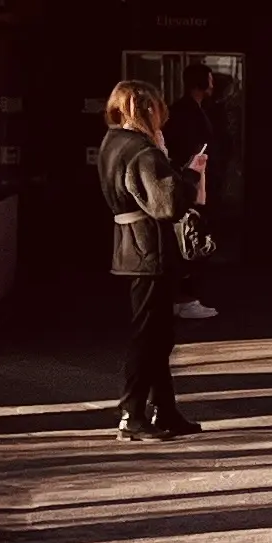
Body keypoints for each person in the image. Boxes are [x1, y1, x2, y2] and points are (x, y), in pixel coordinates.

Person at [96, 81, 198, 439]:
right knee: (149, 335)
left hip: (128, 245)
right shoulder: (142, 151)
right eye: (158, 111)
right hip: (149, 249)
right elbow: (168, 204)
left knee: (157, 333)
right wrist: (191, 173)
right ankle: (133, 413)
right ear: (148, 110)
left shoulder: (112, 143)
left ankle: (165, 410)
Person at [163, 64, 223, 324]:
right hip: (193, 185)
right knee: (191, 239)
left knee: (189, 239)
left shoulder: (185, 110)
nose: (213, 85)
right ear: (200, 83)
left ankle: (182, 297)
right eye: (209, 80)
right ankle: (186, 299)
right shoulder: (189, 113)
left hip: (195, 183)